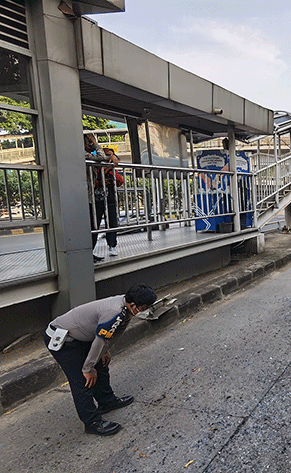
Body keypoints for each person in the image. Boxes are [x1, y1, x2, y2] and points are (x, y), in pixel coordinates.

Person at [43, 284, 157, 436]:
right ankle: (92, 422)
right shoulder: (114, 311)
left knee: (102, 365)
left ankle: (107, 401)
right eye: (144, 307)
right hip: (64, 340)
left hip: (83, 337)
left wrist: (104, 352)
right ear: (133, 304)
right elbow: (100, 341)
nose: (145, 310)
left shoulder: (126, 307)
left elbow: (108, 335)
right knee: (82, 380)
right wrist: (88, 368)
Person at [84, 134, 116, 262]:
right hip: (85, 195)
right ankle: (87, 253)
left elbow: (109, 158)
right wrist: (96, 144)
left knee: (93, 225)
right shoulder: (84, 155)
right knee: (91, 225)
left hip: (89, 195)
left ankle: (90, 252)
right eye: (89, 143)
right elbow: (102, 157)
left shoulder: (87, 155)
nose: (90, 145)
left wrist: (112, 155)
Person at [95, 147, 120, 257]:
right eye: (107, 156)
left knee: (112, 221)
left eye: (110, 156)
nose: (109, 158)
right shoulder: (96, 166)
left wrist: (111, 172)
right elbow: (95, 181)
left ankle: (112, 245)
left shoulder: (113, 169)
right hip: (98, 197)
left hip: (110, 196)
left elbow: (120, 181)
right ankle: (92, 247)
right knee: (96, 222)